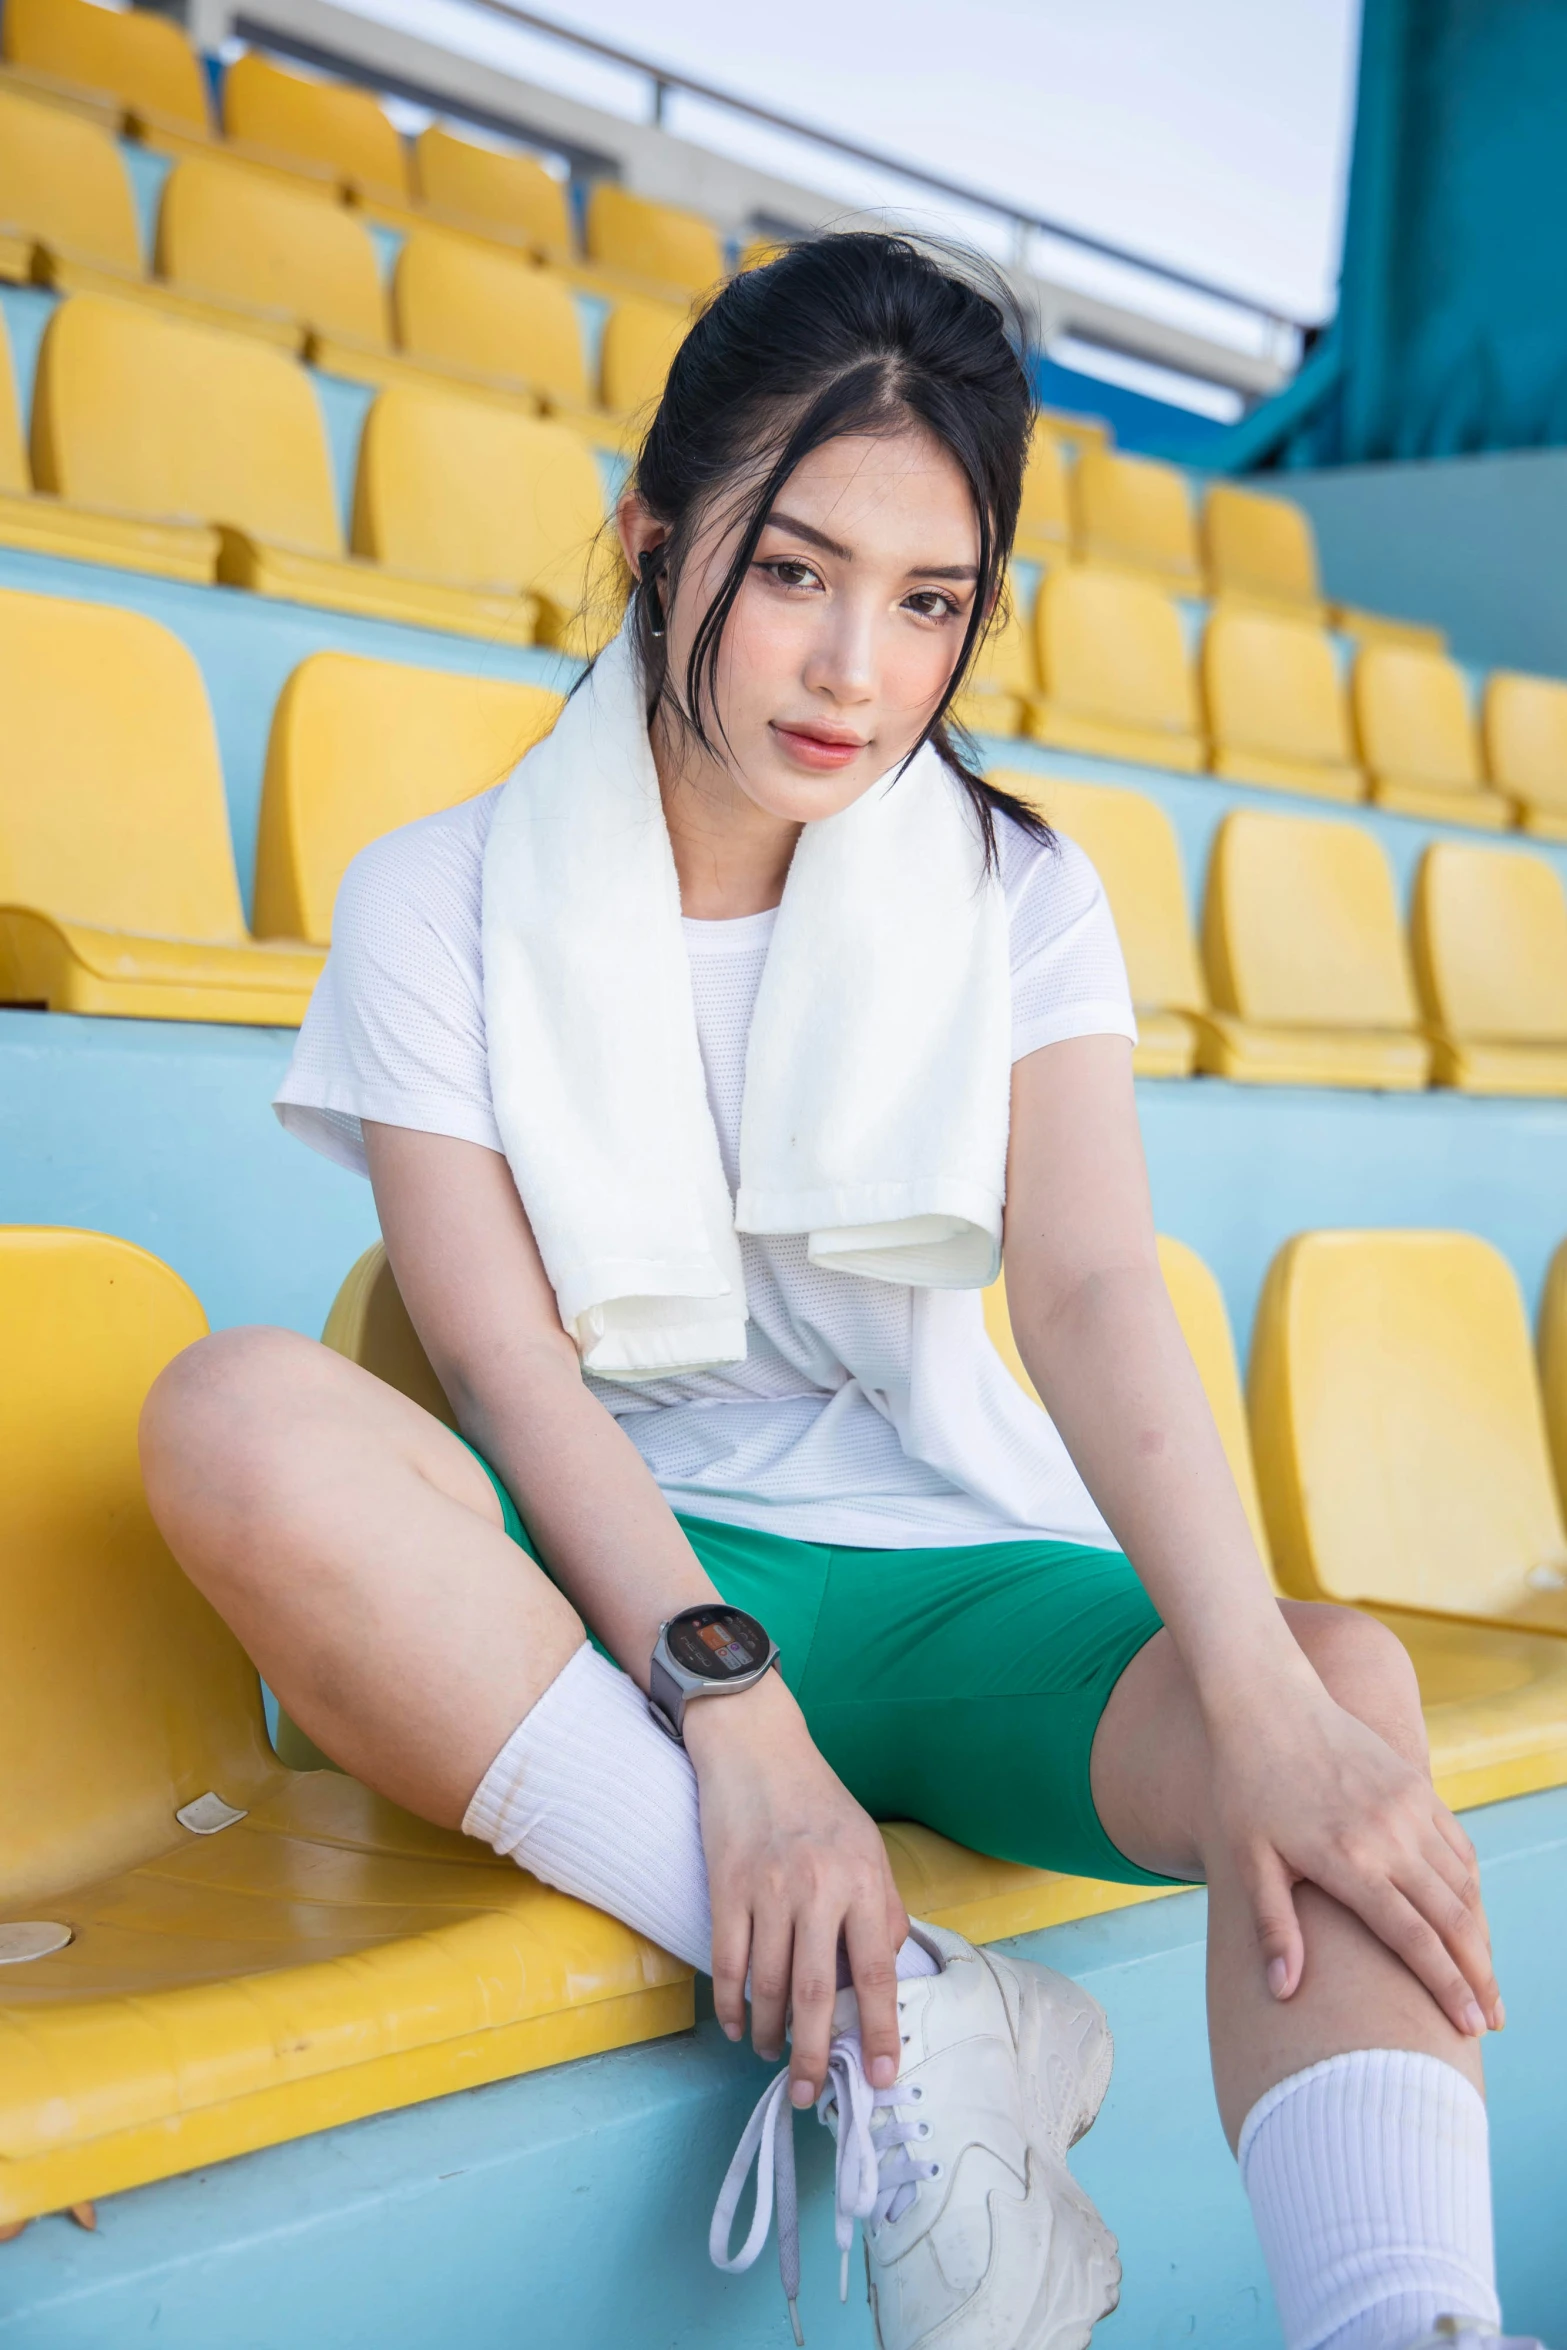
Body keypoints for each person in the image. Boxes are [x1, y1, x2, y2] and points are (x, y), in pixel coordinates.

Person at [141, 234, 1519, 2350]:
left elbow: (1083, 1287)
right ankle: (940, 2026)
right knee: (231, 1419)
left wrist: (1258, 1703)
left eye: (928, 599)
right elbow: (510, 1372)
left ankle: (1411, 2324)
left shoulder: (1017, 892)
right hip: (597, 1586)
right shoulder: (438, 899)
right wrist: (736, 1714)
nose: (855, 669)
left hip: (952, 1570)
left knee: (1336, 1702)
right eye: (796, 570)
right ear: (657, 541)